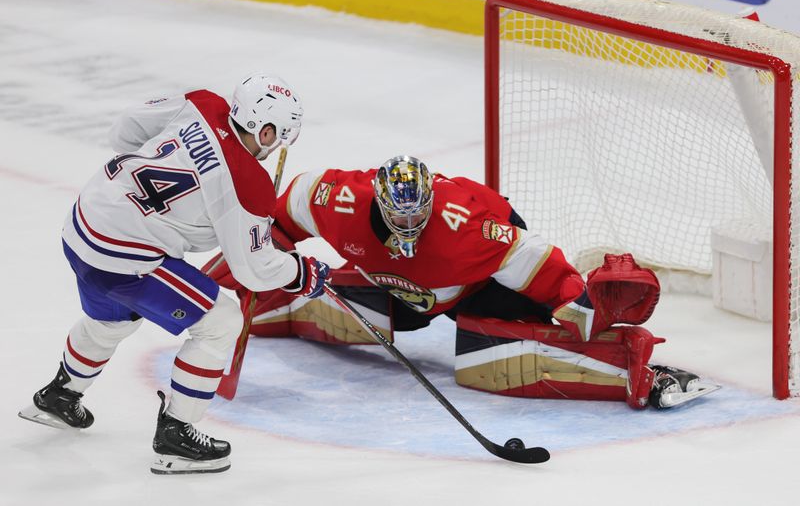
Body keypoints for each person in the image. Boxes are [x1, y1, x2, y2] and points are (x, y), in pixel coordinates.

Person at [205, 156, 719, 411]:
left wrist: (578, 307)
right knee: (383, 314)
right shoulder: (337, 201)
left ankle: (627, 366)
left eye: (417, 218)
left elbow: (542, 268)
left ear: (429, 205)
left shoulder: (466, 231)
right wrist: (244, 265)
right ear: (377, 204)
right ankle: (286, 307)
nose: (406, 228)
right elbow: (277, 220)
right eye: (395, 217)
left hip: (472, 283)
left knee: (486, 348)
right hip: (400, 293)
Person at [18, 73, 330, 475]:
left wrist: (154, 197)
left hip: (84, 221)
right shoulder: (247, 184)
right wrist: (300, 271)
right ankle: (177, 436)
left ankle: (60, 395)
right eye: (278, 137)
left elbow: (126, 128)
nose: (276, 147)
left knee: (111, 318)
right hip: (124, 256)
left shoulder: (202, 103)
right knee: (222, 321)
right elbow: (253, 269)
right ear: (265, 131)